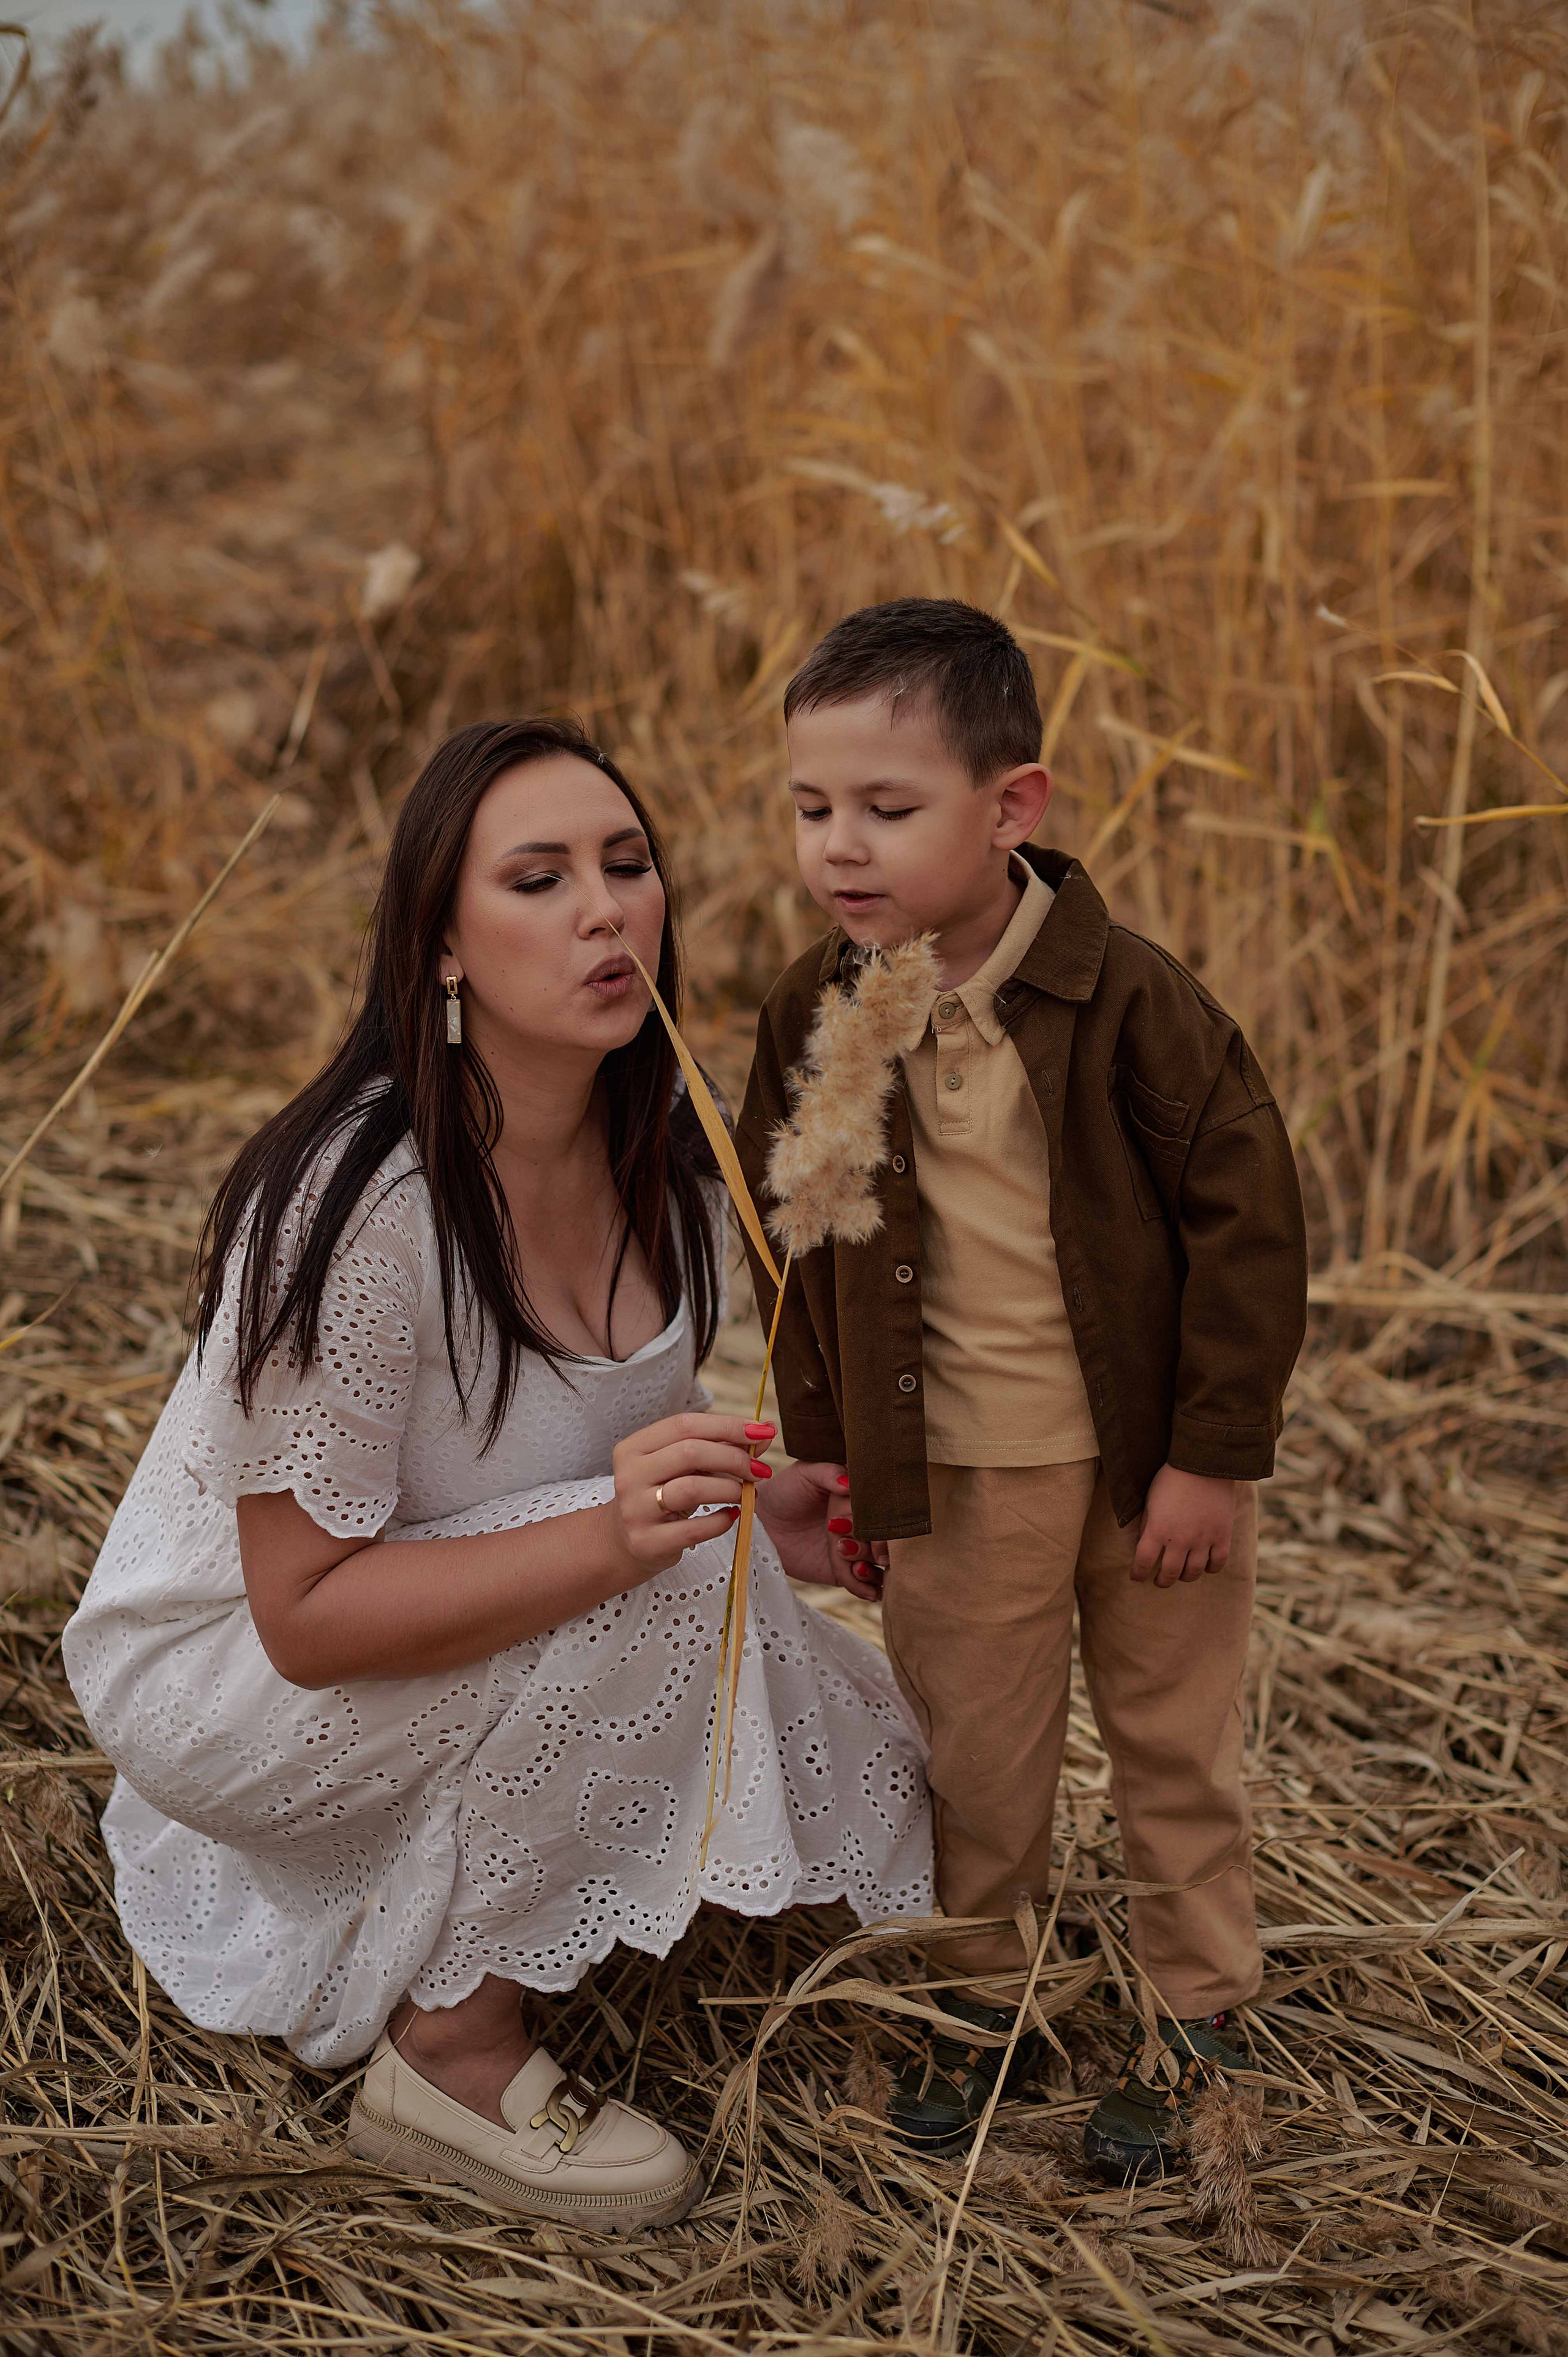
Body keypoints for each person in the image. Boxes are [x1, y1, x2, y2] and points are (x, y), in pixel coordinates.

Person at [63, 716, 930, 2234]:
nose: (606, 909)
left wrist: (755, 1505)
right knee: (655, 1592)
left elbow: (565, 1457)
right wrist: (620, 1534)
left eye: (627, 864)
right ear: (442, 947)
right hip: (239, 1681)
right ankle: (446, 2055)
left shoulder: (660, 1141)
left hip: (471, 1606)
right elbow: (305, 1617)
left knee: (868, 1748)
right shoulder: (351, 1212)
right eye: (537, 879)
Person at [737, 601, 1307, 2179]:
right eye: (810, 808)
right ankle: (977, 2008)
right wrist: (839, 1458)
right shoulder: (818, 1010)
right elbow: (798, 1242)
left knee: (1170, 1746)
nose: (839, 848)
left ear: (1013, 809)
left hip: (1144, 1472)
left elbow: (1250, 1233)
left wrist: (1209, 1456)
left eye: (887, 808)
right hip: (957, 1475)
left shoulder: (1131, 1002)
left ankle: (1197, 2018)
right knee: (971, 1758)